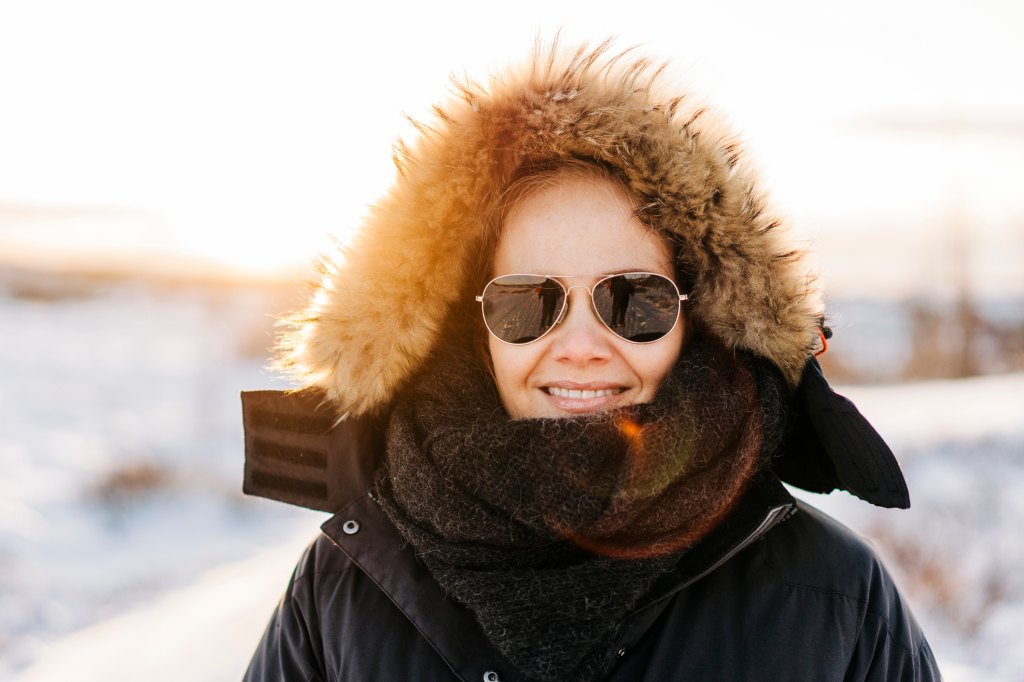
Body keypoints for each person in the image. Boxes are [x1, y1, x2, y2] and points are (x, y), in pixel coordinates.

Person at [241, 40, 941, 681]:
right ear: (469, 327)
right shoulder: (341, 591)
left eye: (634, 300)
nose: (579, 347)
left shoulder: (831, 595)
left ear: (696, 318)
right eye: (527, 303)